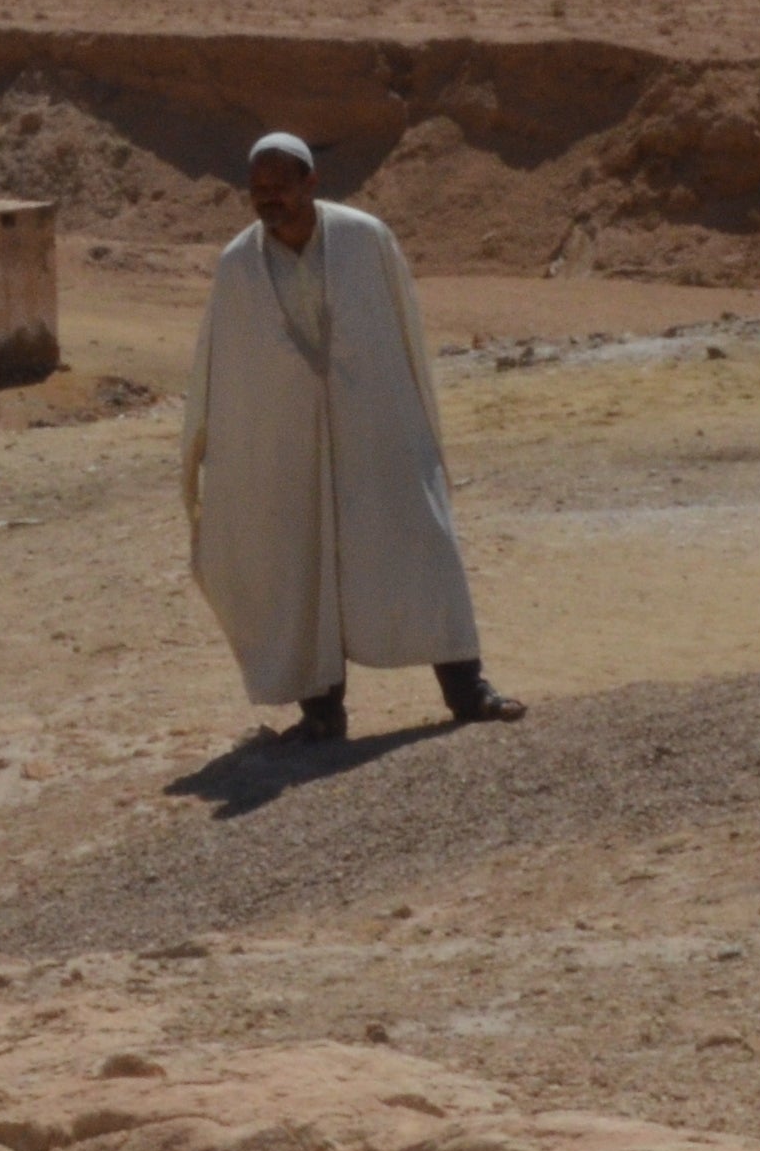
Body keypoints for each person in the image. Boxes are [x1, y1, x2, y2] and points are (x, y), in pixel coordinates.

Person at [178, 132, 522, 745]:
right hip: (287, 444)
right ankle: (321, 714)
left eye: (281, 186)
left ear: (311, 183)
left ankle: (469, 691)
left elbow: (404, 334)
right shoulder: (238, 265)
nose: (269, 199)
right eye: (258, 189)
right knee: (300, 562)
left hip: (377, 427)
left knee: (422, 543)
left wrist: (411, 420)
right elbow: (221, 366)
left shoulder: (366, 240)